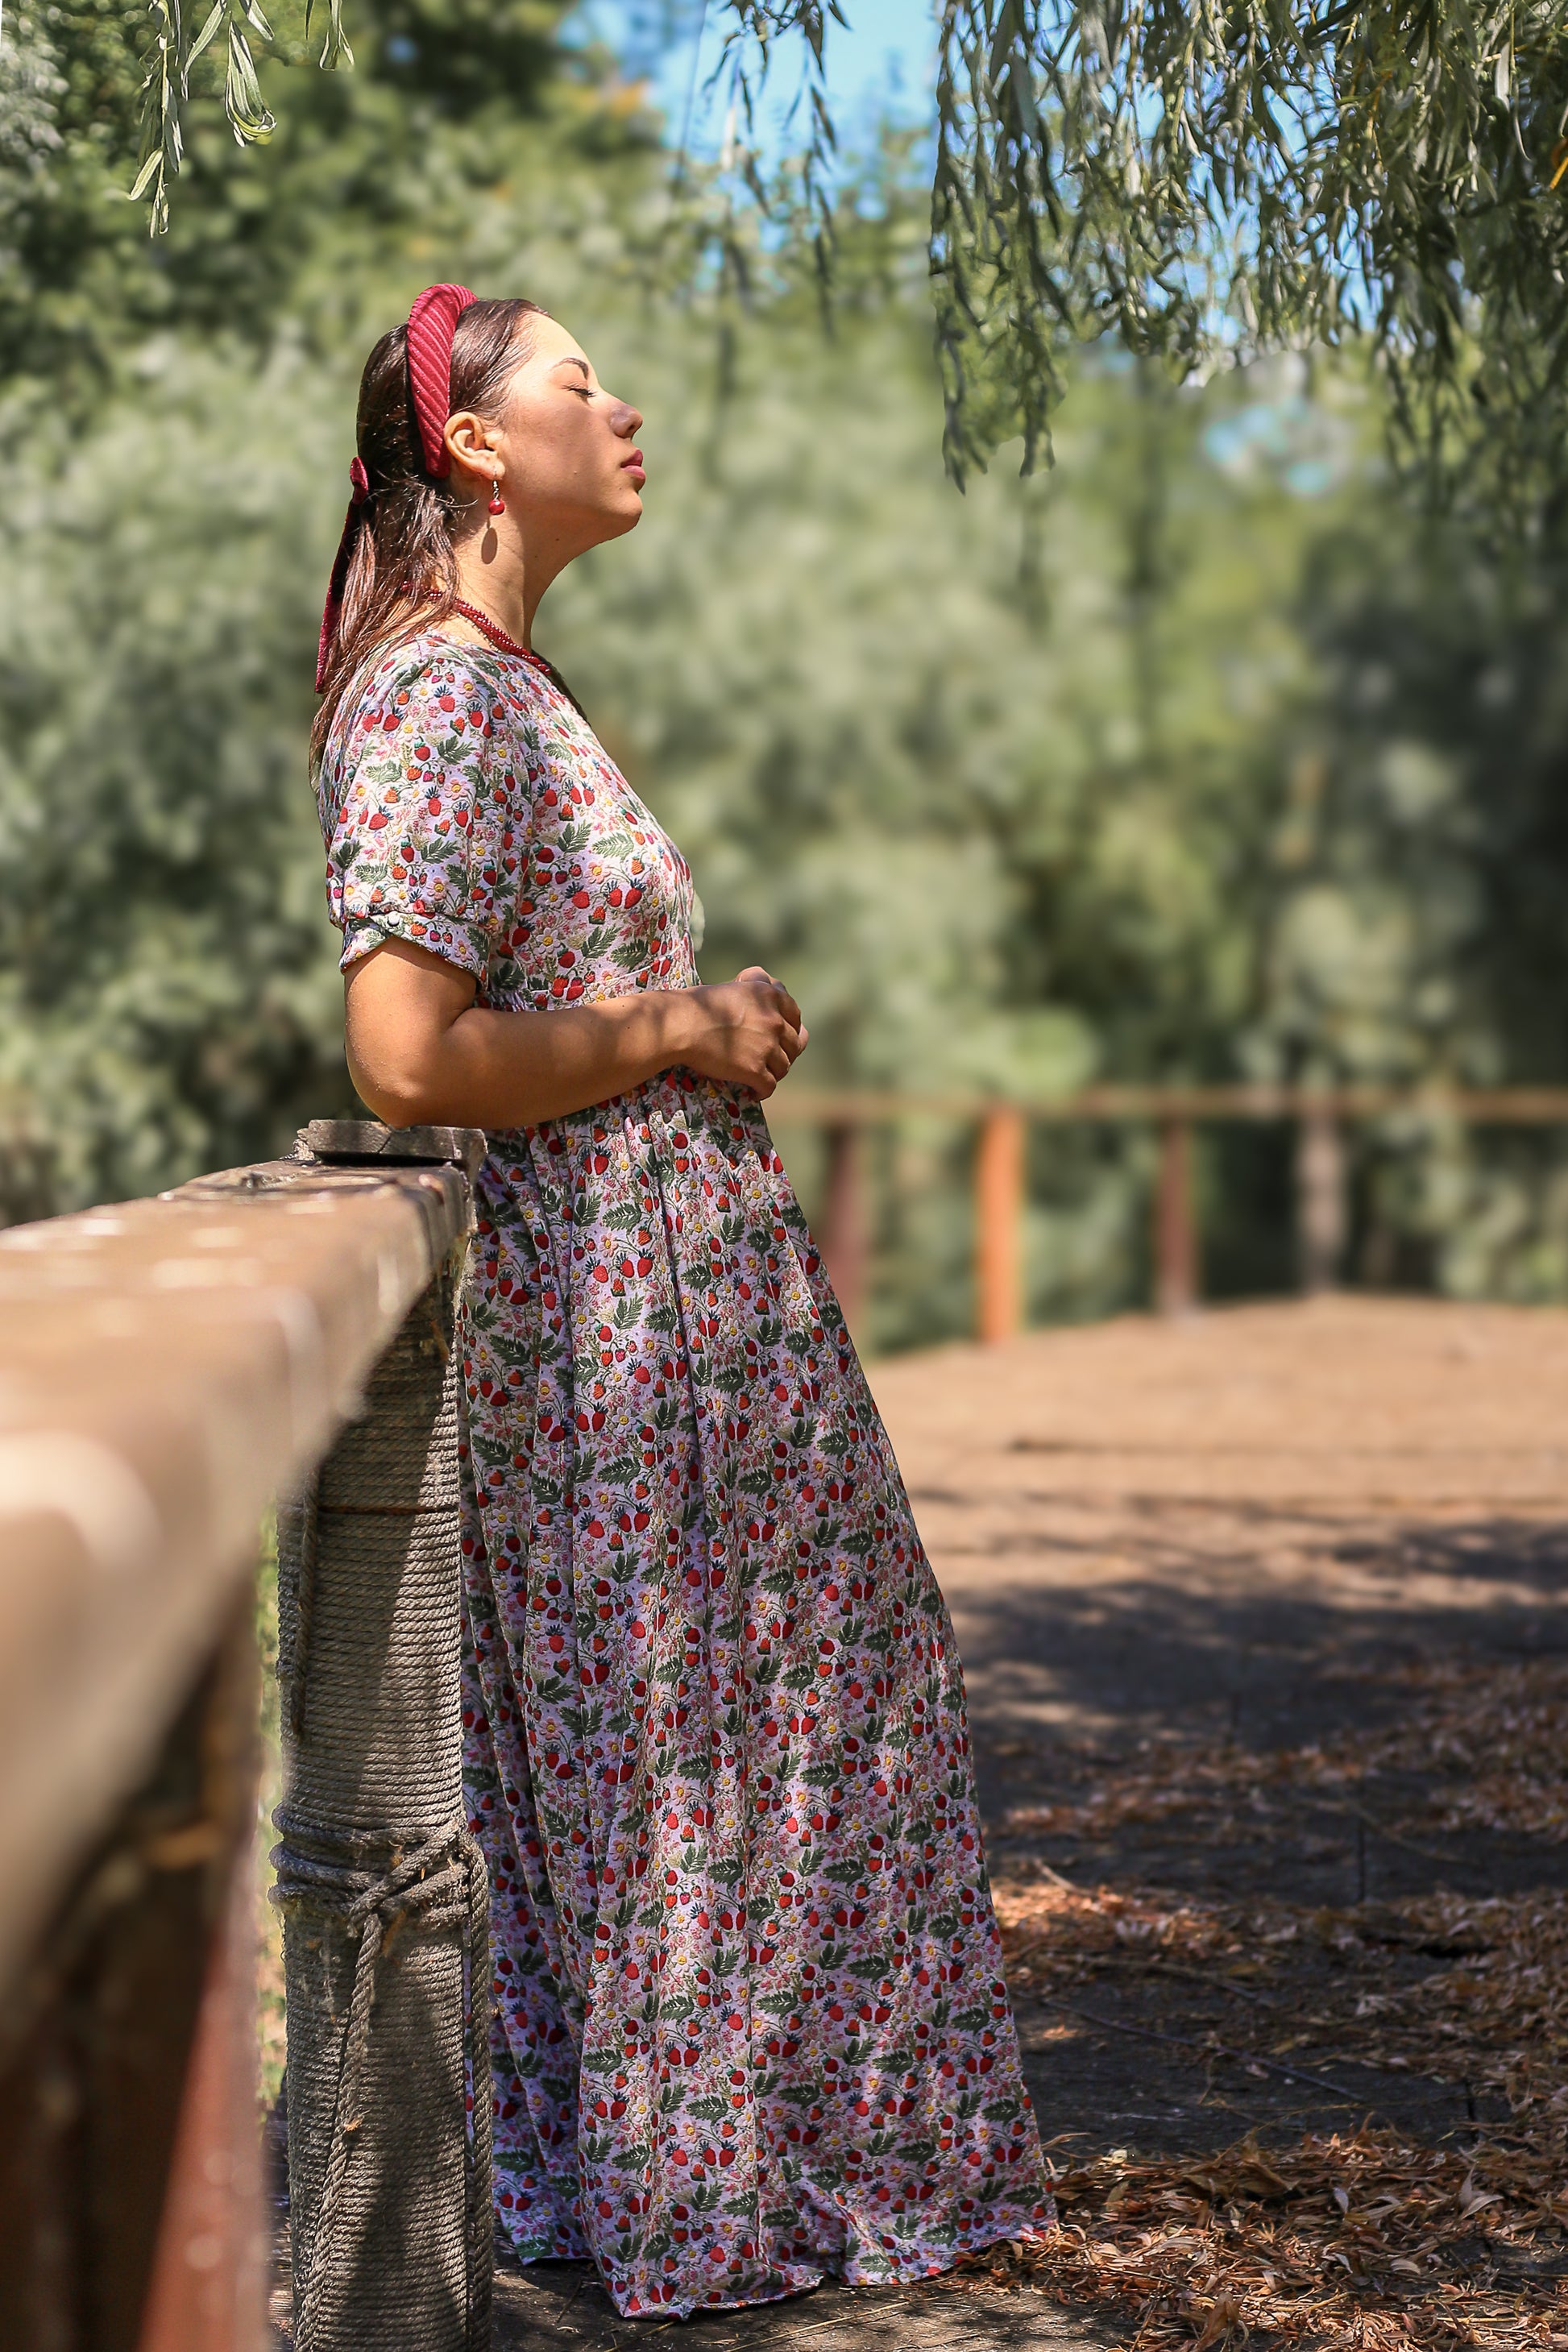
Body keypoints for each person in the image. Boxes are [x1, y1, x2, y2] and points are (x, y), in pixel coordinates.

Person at [311, 283, 1050, 2318]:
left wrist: (694, 1036)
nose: (620, 410)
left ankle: (744, 2174)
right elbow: (404, 1050)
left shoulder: (506, 683)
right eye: (576, 383)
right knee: (663, 1754)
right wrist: (680, 1026)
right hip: (611, 1328)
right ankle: (696, 2195)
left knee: (759, 1725)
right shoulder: (439, 697)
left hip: (675, 1302)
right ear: (474, 440)